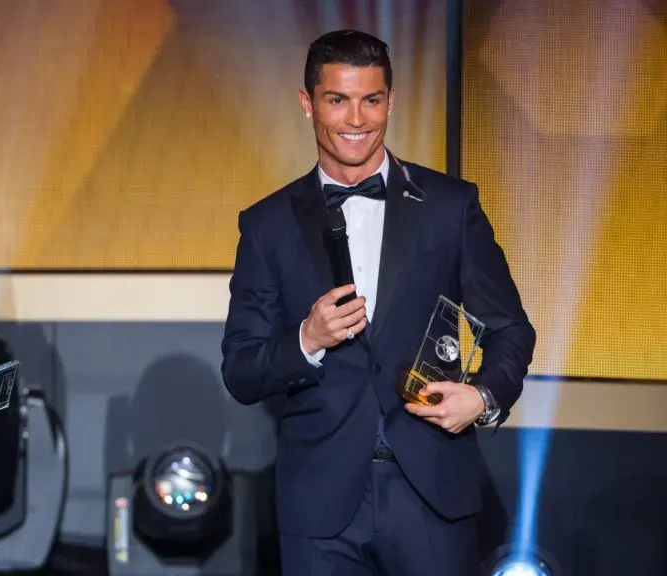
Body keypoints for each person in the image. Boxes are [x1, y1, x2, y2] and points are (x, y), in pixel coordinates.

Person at [220, 30, 535, 575]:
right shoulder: (267, 225)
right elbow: (241, 370)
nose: (356, 119)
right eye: (337, 100)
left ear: (389, 100)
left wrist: (482, 397)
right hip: (321, 503)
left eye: (371, 100)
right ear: (307, 102)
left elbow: (511, 330)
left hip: (433, 493)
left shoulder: (449, 206)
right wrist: (306, 339)